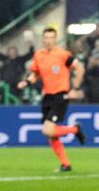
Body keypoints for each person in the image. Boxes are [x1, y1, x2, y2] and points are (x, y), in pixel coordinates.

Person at [17, 27, 86, 172]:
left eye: (51, 38)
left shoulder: (63, 54)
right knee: (52, 134)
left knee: (48, 130)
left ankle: (75, 129)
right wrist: (27, 82)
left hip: (60, 95)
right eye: (46, 38)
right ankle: (66, 164)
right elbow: (36, 74)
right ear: (43, 39)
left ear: (55, 39)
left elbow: (79, 67)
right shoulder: (38, 55)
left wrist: (75, 86)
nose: (48, 41)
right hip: (47, 96)